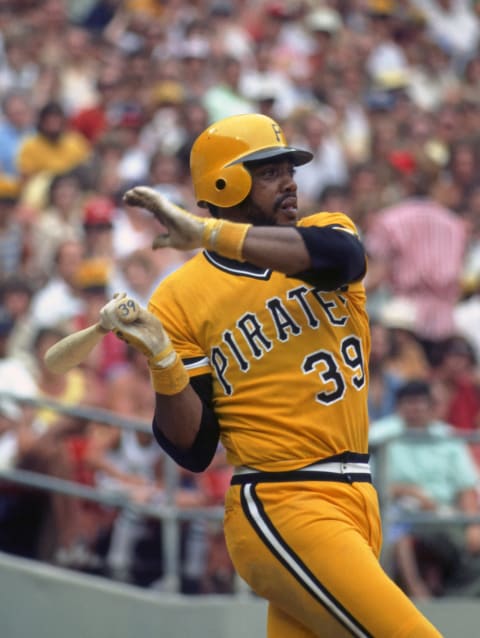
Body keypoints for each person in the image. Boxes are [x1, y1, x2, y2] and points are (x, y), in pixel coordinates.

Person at [95, 113, 441, 636]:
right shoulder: (180, 295)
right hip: (283, 500)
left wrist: (211, 233)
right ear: (224, 182)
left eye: (288, 168)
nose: (290, 181)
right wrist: (163, 364)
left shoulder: (328, 232)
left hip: (357, 498)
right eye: (269, 170)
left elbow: (341, 258)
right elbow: (193, 447)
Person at [369, 379, 480, 599]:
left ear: (432, 406)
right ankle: (418, 598)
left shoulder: (448, 437)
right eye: (409, 403)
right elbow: (367, 481)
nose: (416, 409)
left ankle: (454, 605)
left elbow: (466, 488)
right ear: (398, 406)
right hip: (395, 512)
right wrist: (409, 492)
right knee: (398, 533)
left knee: (473, 545)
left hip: (443, 514)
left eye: (421, 403)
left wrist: (472, 526)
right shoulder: (379, 435)